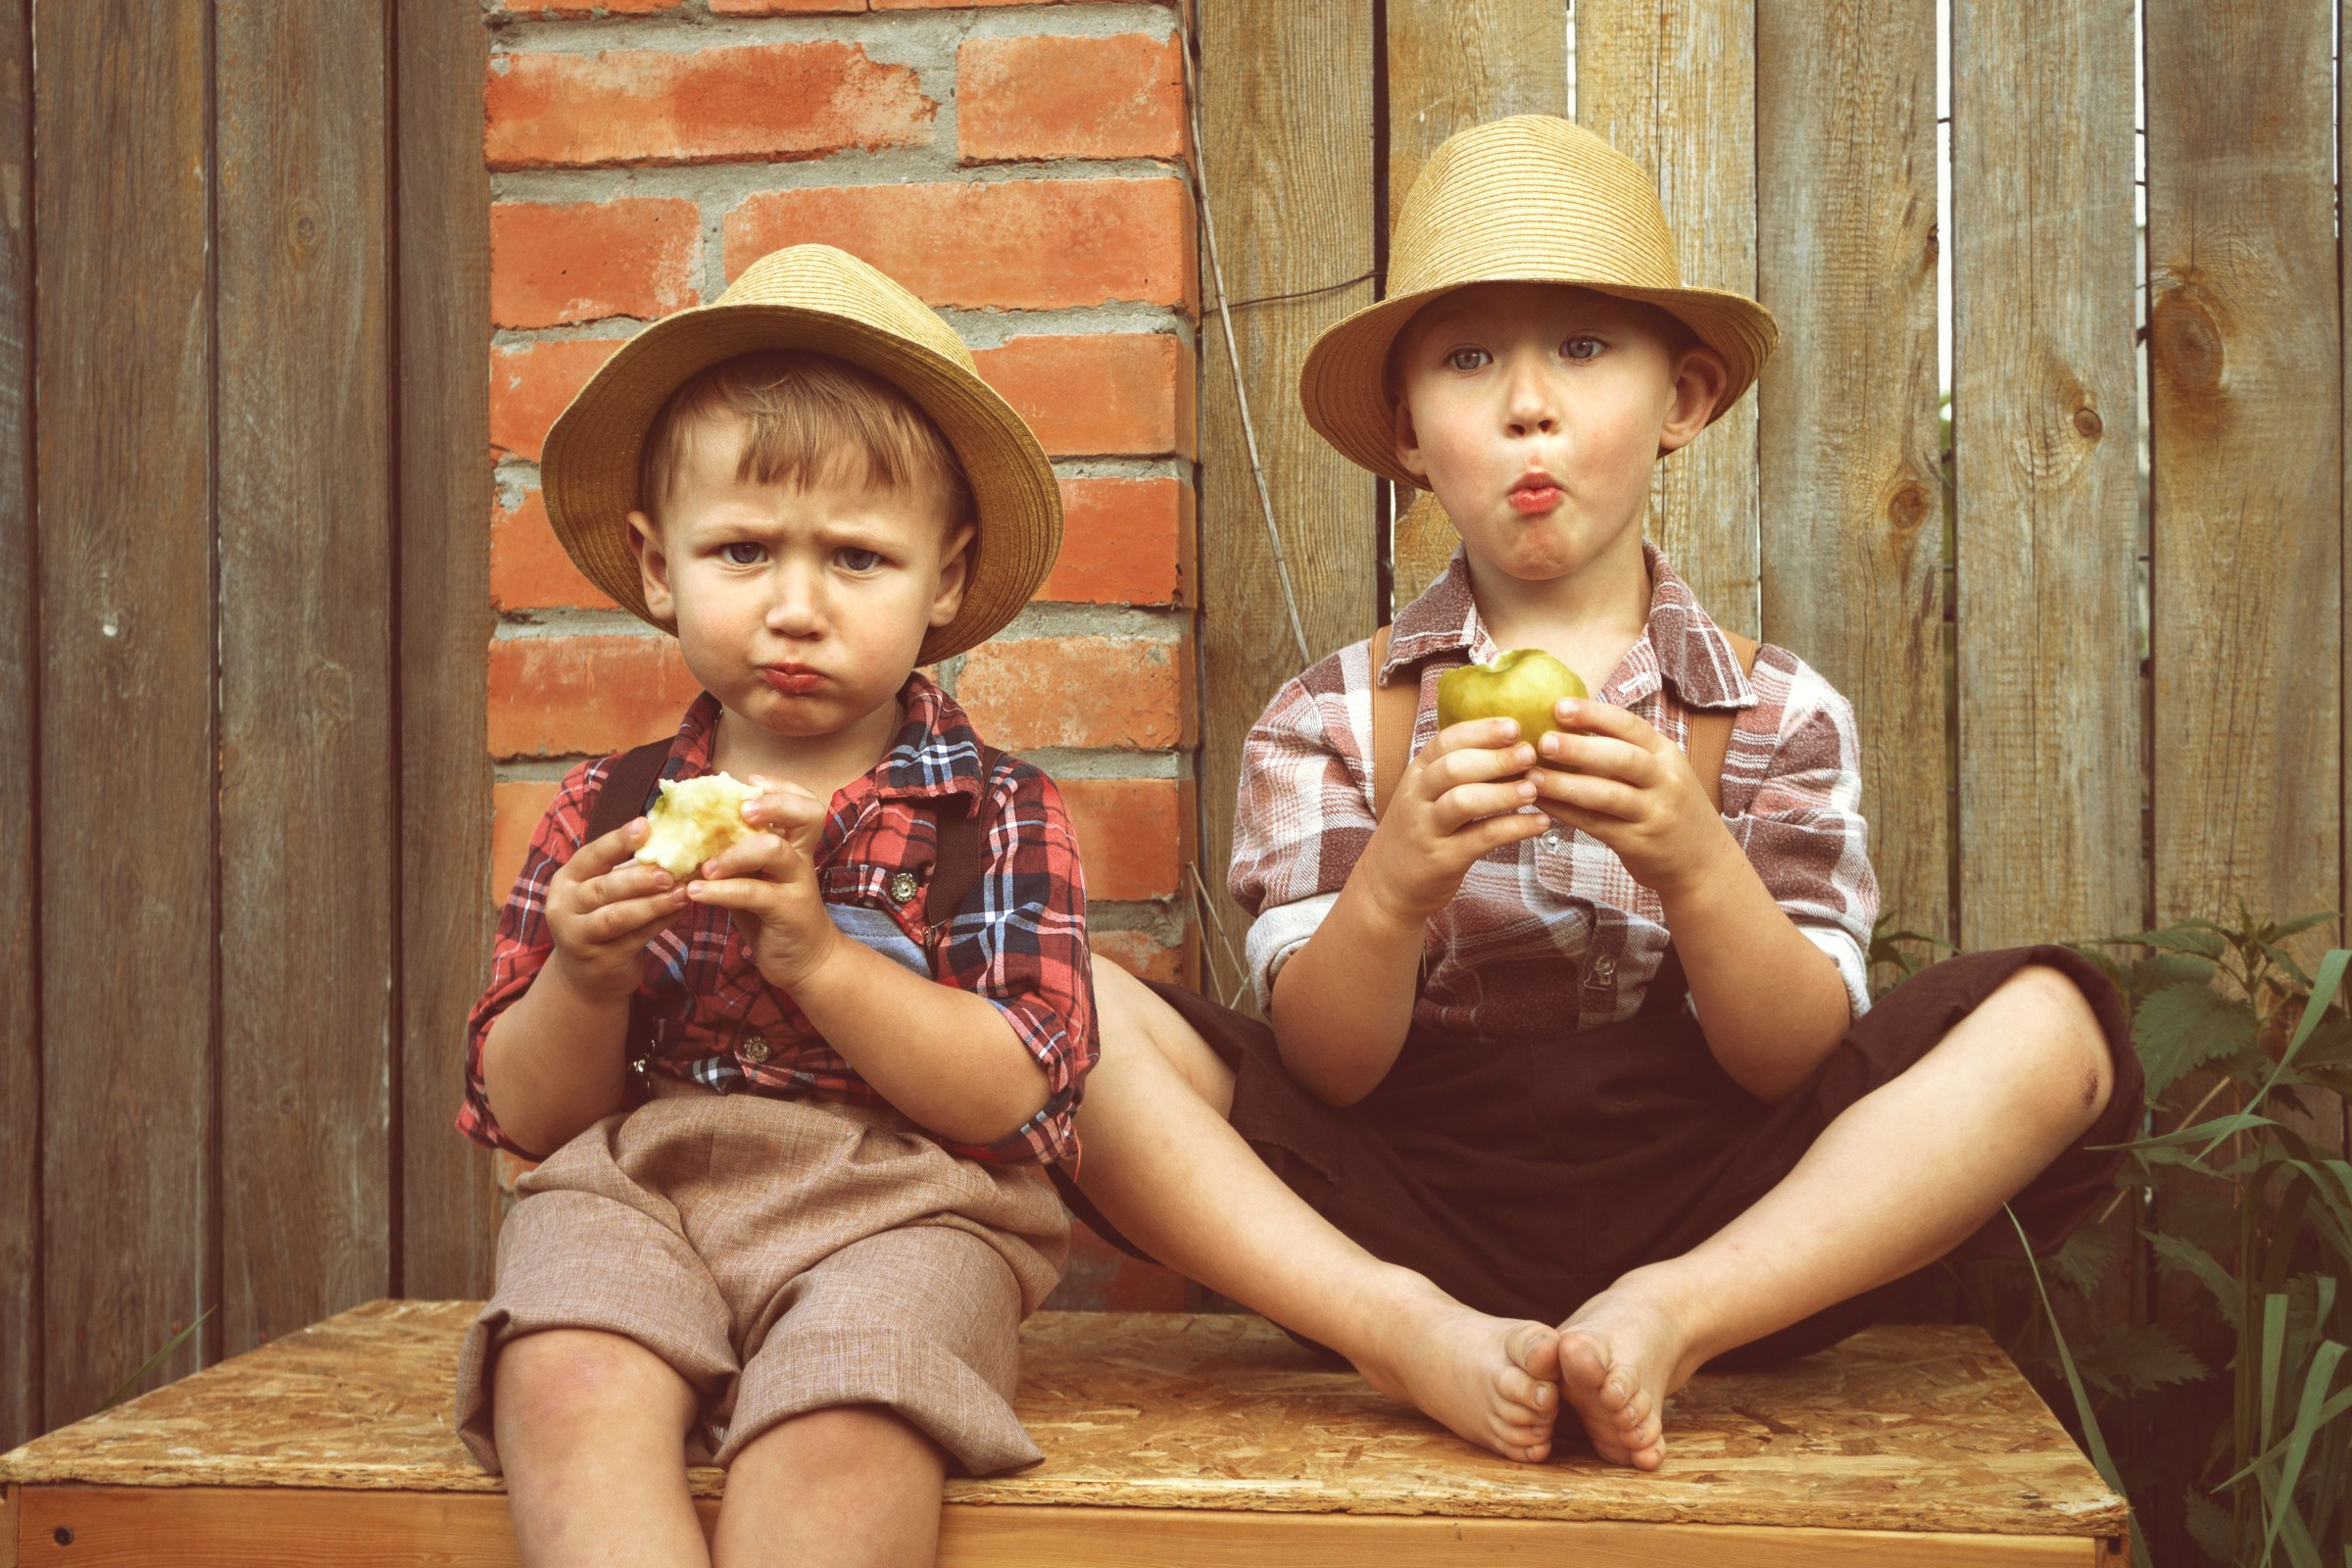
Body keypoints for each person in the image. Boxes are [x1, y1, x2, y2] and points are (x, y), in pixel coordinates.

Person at [1057, 116, 2144, 1473]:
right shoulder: (1332, 716)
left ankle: (1673, 1320)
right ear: (1406, 430)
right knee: (1062, 1013)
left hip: (1721, 1208)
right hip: (1401, 1208)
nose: (1528, 405)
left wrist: (1696, 862)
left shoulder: (1775, 711)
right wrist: (1395, 888)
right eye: (1468, 361)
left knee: (2057, 1025)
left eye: (1581, 349)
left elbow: (1791, 1061)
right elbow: (1328, 1068)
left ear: (1682, 399)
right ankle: (1397, 1332)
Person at [452, 244, 1096, 1568]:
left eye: (856, 558)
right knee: (559, 1378)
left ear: (945, 581)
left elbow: (1012, 1099)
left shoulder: (998, 815)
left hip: (908, 1209)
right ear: (657, 566)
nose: (795, 609)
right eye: (742, 550)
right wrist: (583, 976)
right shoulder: (605, 807)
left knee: (851, 1422)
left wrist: (819, 958)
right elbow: (528, 1118)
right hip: (640, 1191)